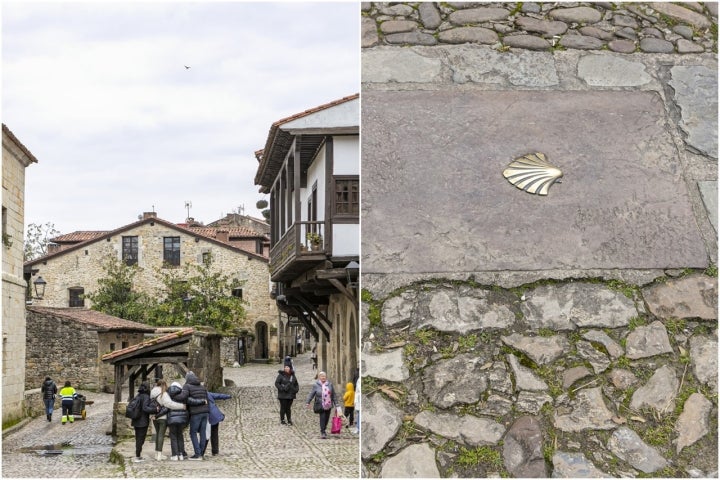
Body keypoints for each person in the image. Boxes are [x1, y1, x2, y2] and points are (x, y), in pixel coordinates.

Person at [173, 371, 209, 460]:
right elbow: (206, 398)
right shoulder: (202, 386)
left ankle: (197, 454)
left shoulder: (187, 386)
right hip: (205, 412)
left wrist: (173, 396)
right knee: (203, 432)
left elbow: (183, 397)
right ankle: (201, 453)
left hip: (196, 412)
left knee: (193, 432)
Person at [305, 371, 339, 439]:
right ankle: (323, 432)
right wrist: (308, 402)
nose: (323, 377)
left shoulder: (329, 384)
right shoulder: (316, 385)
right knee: (322, 417)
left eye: (324, 376)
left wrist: (336, 404)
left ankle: (324, 428)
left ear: (326, 377)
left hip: (328, 404)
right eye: (322, 376)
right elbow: (311, 394)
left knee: (326, 418)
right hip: (320, 404)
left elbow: (333, 395)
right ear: (319, 377)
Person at [149, 379, 177, 461]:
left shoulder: (152, 392)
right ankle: (159, 455)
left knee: (158, 434)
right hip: (162, 417)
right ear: (164, 385)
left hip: (153, 416)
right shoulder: (164, 393)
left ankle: (156, 454)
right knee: (161, 435)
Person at [131, 382, 157, 463]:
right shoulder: (146, 396)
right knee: (140, 439)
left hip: (136, 420)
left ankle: (138, 454)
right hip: (142, 421)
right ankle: (138, 456)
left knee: (138, 438)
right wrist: (155, 409)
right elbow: (145, 408)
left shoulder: (138, 395)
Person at [202, 391, 232, 456]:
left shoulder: (197, 395)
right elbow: (218, 395)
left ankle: (202, 451)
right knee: (214, 434)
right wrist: (228, 396)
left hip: (209, 416)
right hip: (215, 415)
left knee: (206, 433)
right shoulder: (208, 393)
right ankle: (215, 451)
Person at [167, 381, 190, 461]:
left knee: (173, 436)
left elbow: (166, 406)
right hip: (182, 419)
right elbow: (189, 403)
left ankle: (175, 455)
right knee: (180, 435)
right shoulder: (183, 395)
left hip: (172, 418)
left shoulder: (168, 395)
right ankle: (181, 454)